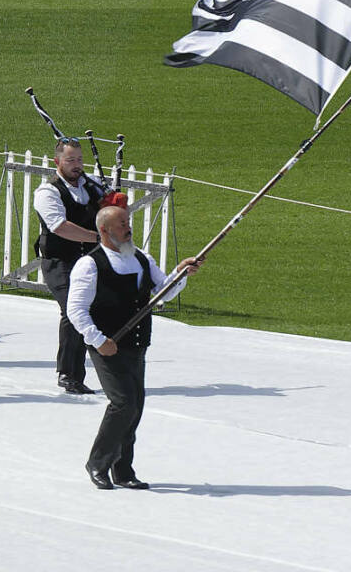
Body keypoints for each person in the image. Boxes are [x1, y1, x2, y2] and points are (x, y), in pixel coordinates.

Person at [70, 204, 202, 490]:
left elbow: (162, 291)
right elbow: (76, 310)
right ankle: (98, 464)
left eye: (127, 222)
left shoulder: (141, 258)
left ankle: (123, 470)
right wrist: (97, 339)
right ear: (104, 231)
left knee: (135, 406)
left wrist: (180, 274)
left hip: (137, 344)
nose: (127, 228)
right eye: (121, 224)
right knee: (123, 404)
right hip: (107, 344)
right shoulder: (90, 265)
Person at [33, 136, 107, 395]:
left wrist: (114, 207)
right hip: (59, 262)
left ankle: (83, 372)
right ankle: (67, 373)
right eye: (70, 160)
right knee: (73, 311)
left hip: (88, 262)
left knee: (90, 311)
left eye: (79, 159)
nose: (77, 165)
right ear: (57, 162)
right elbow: (59, 227)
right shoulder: (47, 192)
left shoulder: (92, 186)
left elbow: (108, 213)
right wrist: (97, 237)